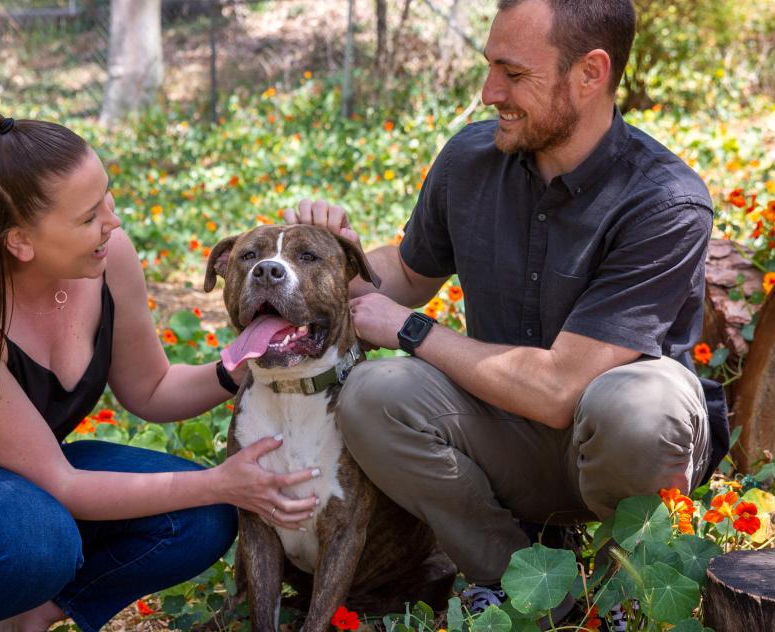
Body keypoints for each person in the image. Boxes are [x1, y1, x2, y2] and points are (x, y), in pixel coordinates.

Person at [286, 0, 727, 616]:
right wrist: (340, 258)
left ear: (591, 72)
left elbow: (560, 390)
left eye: (514, 74)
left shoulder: (664, 201)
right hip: (506, 434)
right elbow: (409, 274)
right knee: (372, 392)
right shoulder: (470, 159)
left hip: (624, 450)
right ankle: (522, 575)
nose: (490, 92)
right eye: (490, 67)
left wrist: (412, 329)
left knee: (637, 405)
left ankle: (626, 580)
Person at [0, 112, 320, 632]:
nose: (113, 222)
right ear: (19, 241)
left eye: (107, 197)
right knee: (37, 539)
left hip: (18, 475)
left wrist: (243, 364)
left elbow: (151, 389)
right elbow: (61, 484)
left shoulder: (109, 257)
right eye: (88, 217)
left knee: (200, 516)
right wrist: (223, 481)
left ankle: (24, 618)